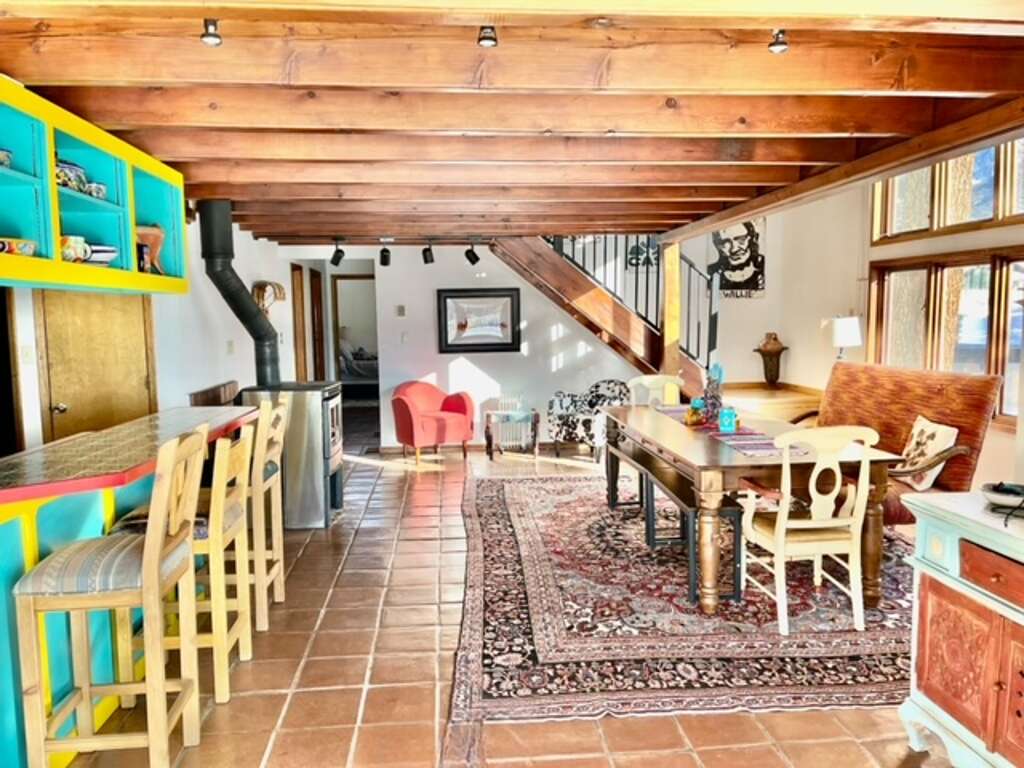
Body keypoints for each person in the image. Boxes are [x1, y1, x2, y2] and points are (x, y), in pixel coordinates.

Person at [709, 220, 765, 295]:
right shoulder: (711, 272)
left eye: (741, 239)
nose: (734, 249)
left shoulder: (765, 265)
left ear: (752, 238)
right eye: (725, 242)